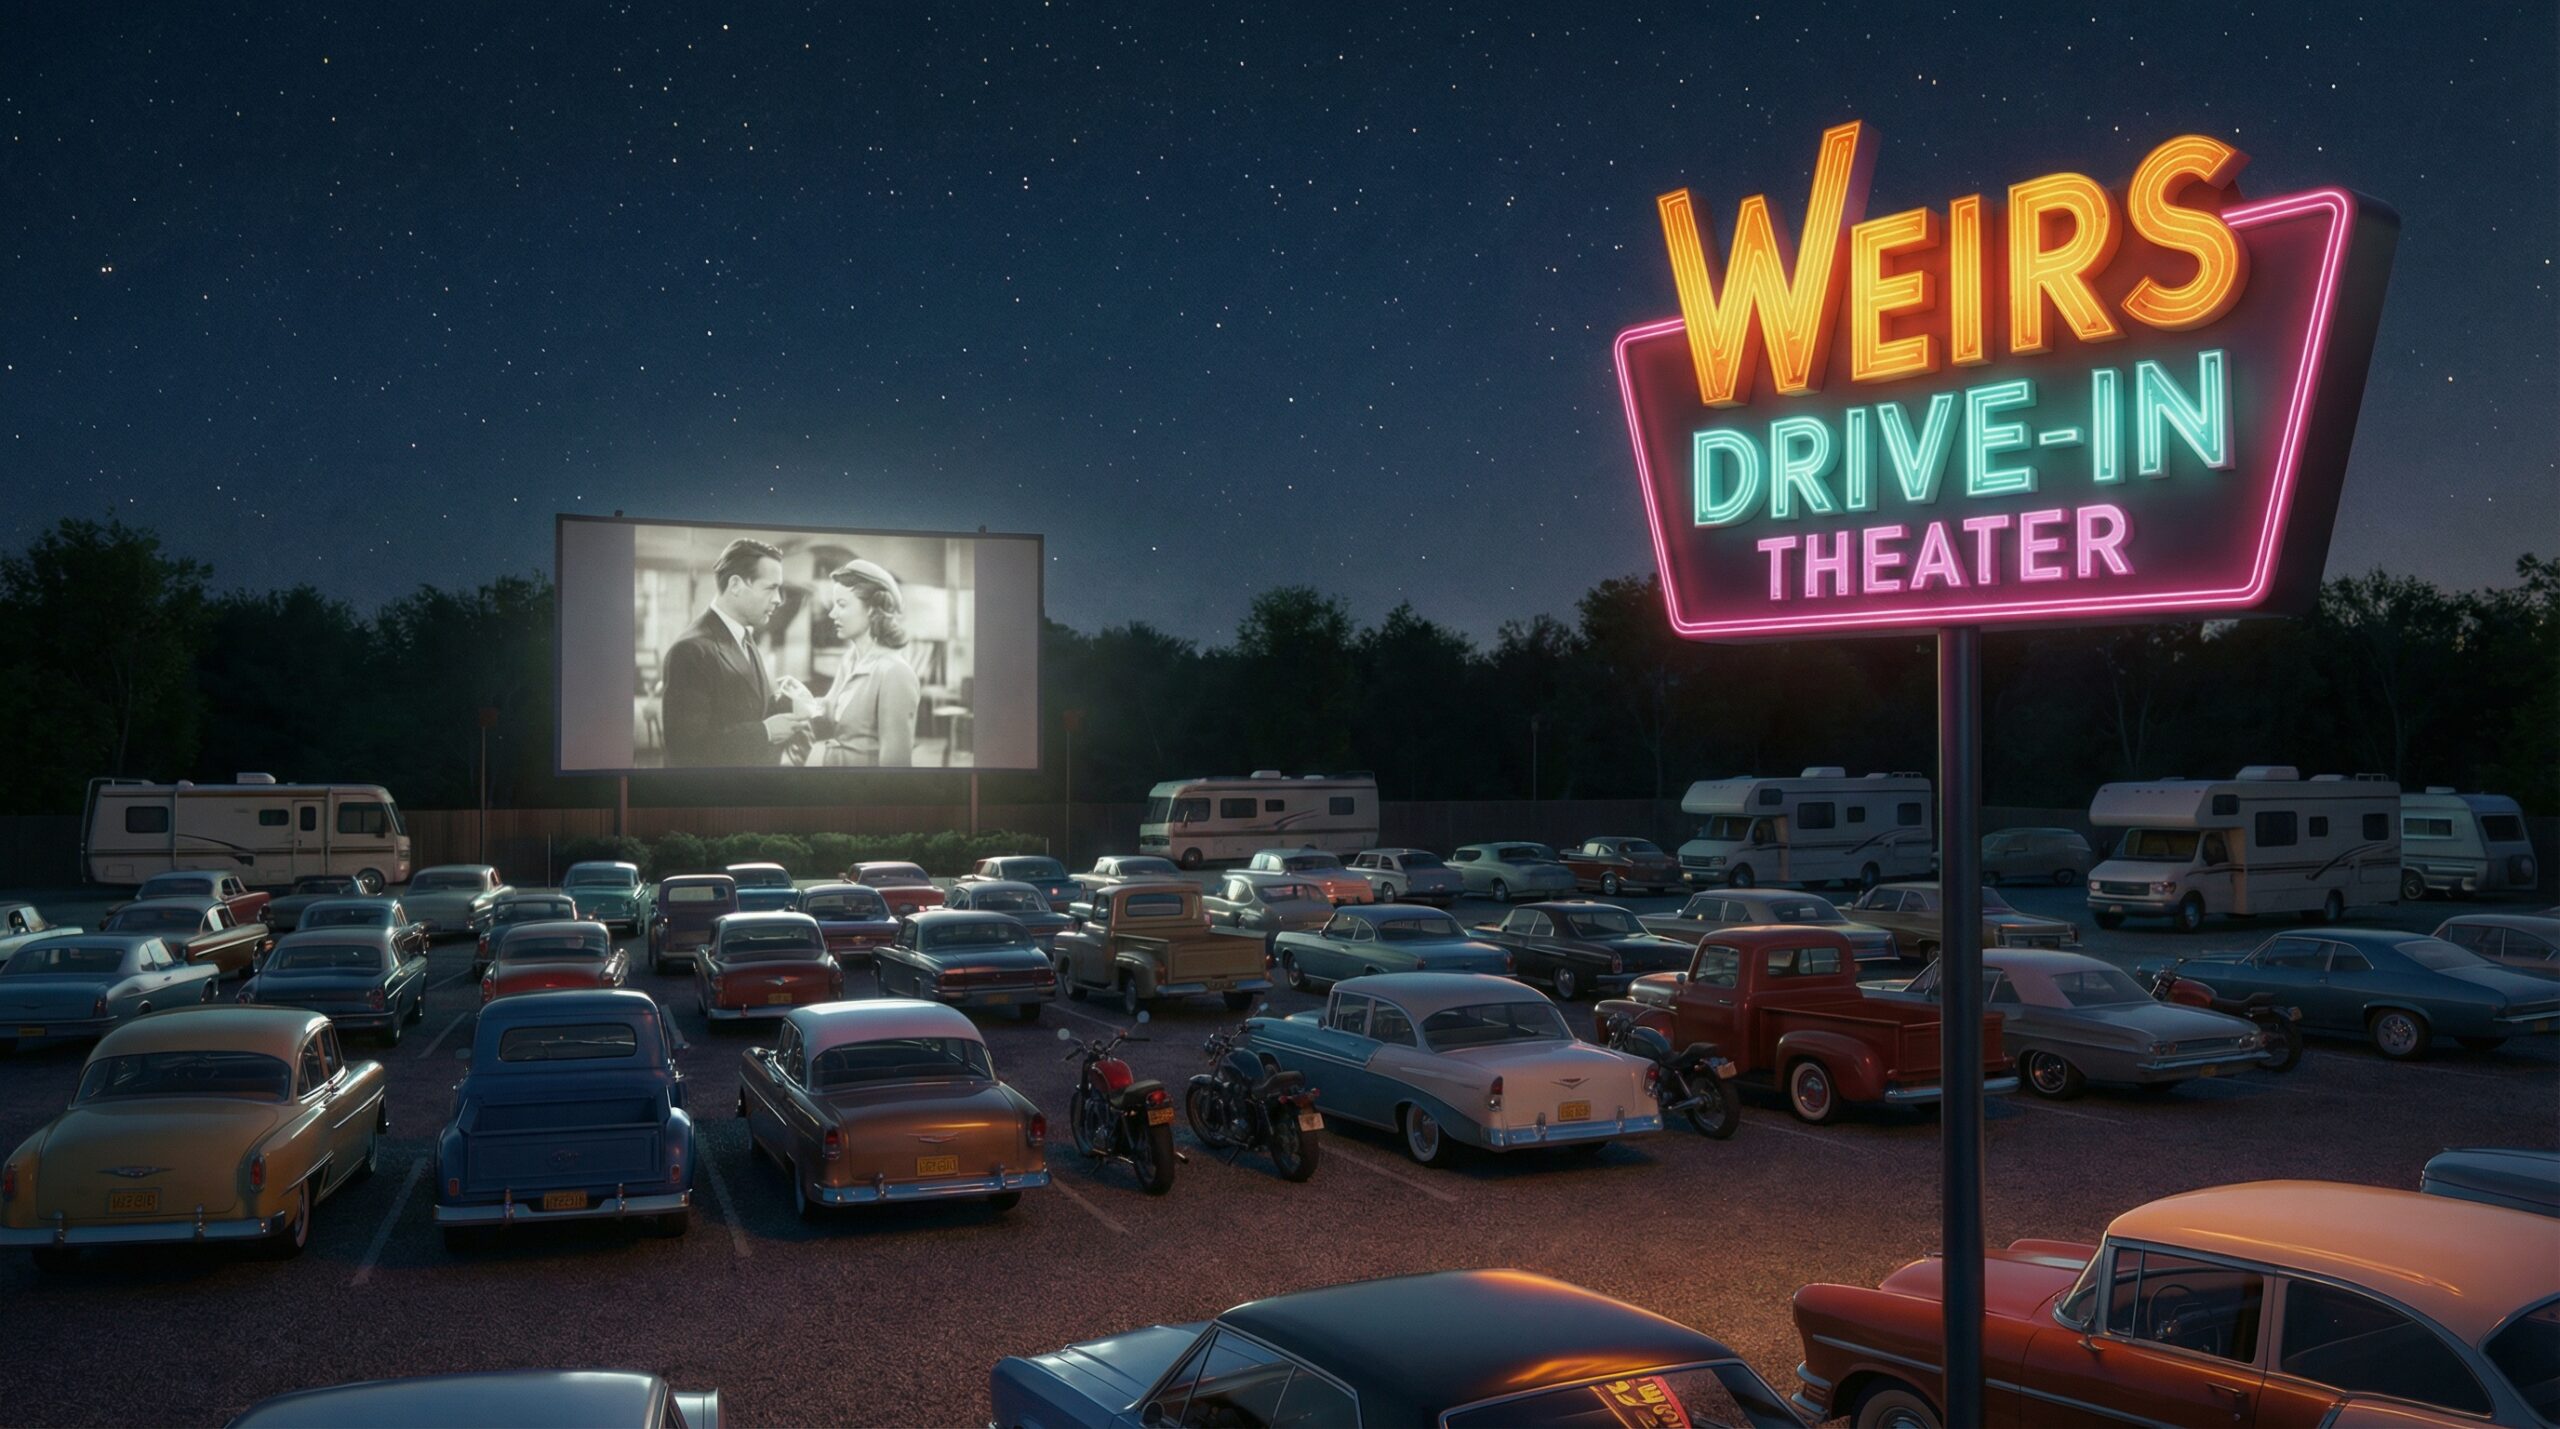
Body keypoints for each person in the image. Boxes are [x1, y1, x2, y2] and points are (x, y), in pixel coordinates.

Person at [658, 537, 806, 766]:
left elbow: (742, 708)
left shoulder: (743, 636)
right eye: (770, 588)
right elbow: (685, 748)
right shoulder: (690, 651)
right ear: (735, 585)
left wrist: (784, 700)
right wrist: (765, 733)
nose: (778, 600)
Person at [778, 558, 920, 767]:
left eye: (842, 605)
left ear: (872, 608)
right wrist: (801, 696)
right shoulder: (850, 659)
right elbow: (831, 715)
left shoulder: (894, 672)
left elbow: (895, 767)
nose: (832, 613)